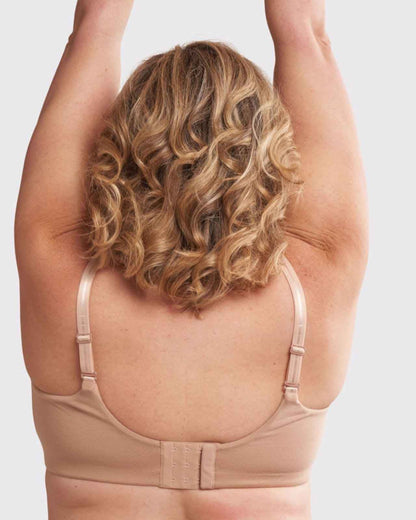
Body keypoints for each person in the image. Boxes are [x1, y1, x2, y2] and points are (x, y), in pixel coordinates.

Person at [14, 0, 368, 519]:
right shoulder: (322, 270)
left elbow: (93, 31)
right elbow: (307, 37)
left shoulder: (57, 269)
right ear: (271, 151)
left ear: (117, 145)